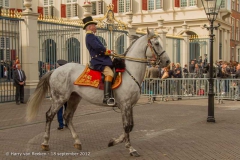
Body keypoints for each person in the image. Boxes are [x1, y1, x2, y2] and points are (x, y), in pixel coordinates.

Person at [82, 16, 114, 106]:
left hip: (102, 59)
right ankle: (107, 97)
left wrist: (108, 51)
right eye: (94, 25)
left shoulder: (92, 36)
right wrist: (106, 51)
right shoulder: (89, 36)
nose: (95, 27)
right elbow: (97, 47)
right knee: (109, 74)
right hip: (98, 61)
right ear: (90, 27)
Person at [56, 60, 68, 130]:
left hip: (59, 95)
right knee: (67, 109)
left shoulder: (56, 74)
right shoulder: (67, 74)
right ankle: (67, 123)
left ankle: (61, 124)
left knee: (59, 110)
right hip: (66, 94)